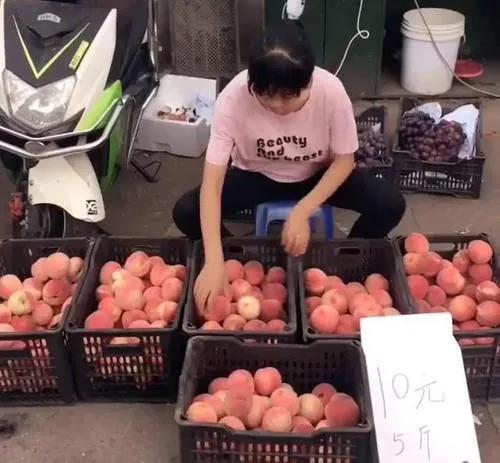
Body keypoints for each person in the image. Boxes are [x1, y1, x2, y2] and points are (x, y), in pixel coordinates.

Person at [173, 21, 405, 309]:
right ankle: (242, 262)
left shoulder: (330, 92)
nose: (278, 107)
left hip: (317, 174)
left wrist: (304, 208)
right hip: (256, 175)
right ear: (251, 84)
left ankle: (345, 263)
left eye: (289, 97)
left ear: (308, 82)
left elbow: (344, 161)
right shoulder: (232, 98)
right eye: (266, 96)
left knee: (389, 203)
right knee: (186, 211)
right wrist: (215, 258)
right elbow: (213, 183)